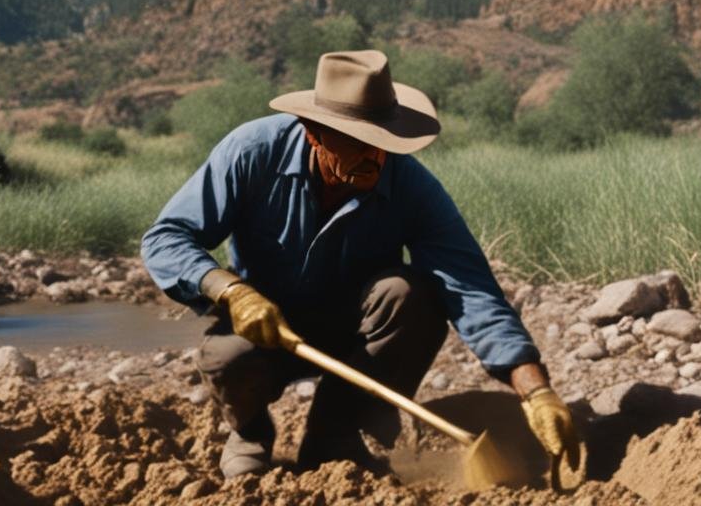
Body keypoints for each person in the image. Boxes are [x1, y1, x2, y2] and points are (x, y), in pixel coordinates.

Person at [141, 50, 578, 478]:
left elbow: (469, 286)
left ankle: (333, 436)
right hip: (267, 329)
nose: (377, 156)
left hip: (356, 339)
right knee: (225, 356)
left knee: (410, 295)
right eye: (359, 142)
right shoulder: (253, 152)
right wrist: (230, 291)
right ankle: (251, 434)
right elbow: (166, 238)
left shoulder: (411, 186)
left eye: (384, 142)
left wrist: (535, 389)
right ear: (314, 132)